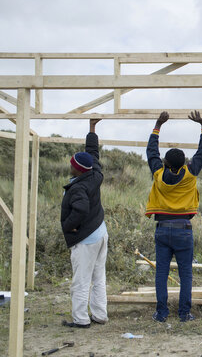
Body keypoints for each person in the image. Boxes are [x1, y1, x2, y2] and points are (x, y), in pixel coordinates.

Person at [145, 110, 202, 323]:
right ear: (184, 163)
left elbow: (151, 152)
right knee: (186, 275)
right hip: (183, 230)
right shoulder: (190, 173)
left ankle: (162, 313)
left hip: (163, 229)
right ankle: (184, 314)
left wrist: (158, 125)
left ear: (164, 163)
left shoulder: (158, 173)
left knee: (161, 273)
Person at [61, 119, 108, 328]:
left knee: (81, 280)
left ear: (78, 170)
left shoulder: (78, 187)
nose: (70, 167)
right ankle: (100, 315)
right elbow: (93, 154)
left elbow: (80, 209)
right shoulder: (94, 174)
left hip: (86, 237)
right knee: (98, 277)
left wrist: (68, 226)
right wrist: (92, 129)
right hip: (100, 232)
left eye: (73, 165)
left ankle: (80, 320)